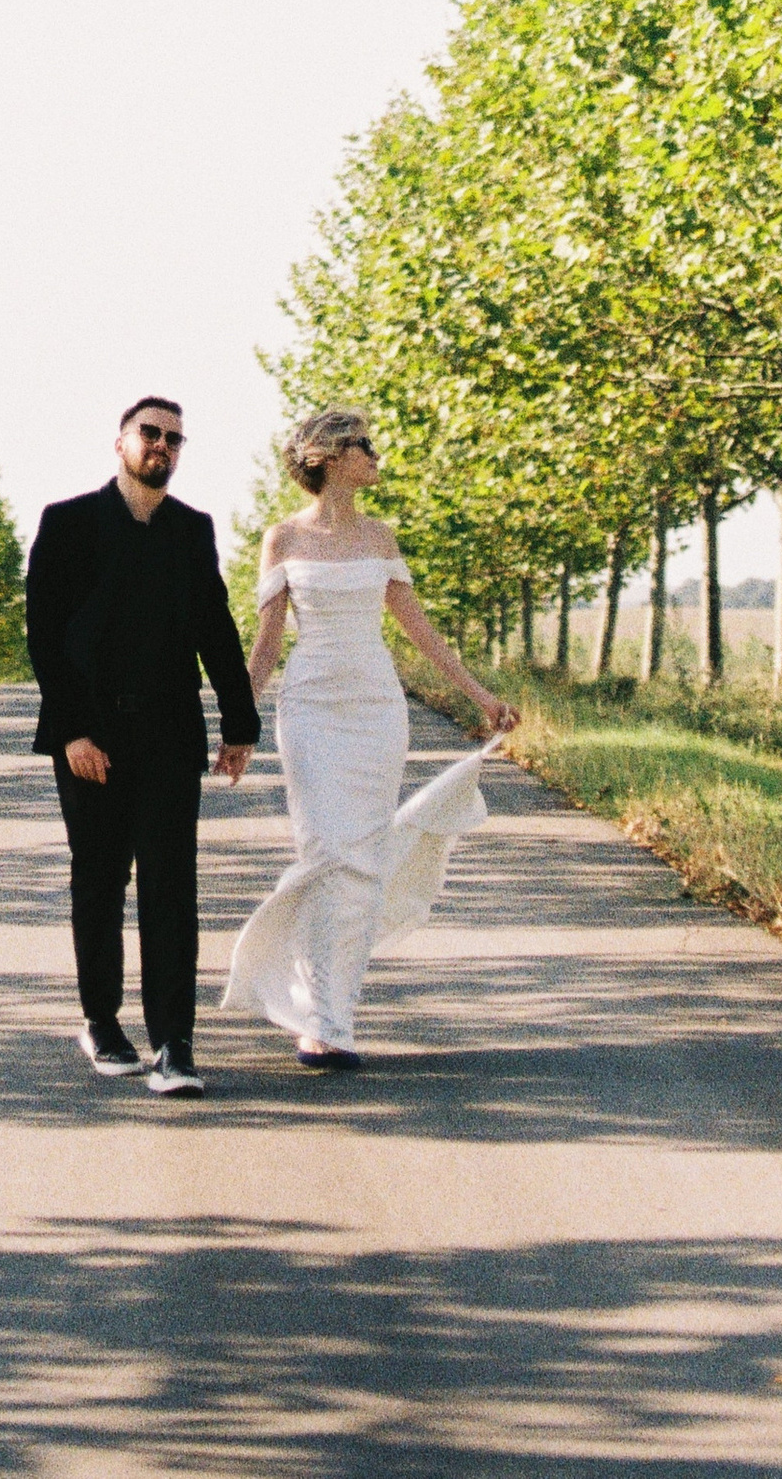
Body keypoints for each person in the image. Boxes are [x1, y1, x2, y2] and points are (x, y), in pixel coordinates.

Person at [222, 406, 517, 1069]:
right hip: (312, 709)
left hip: (377, 711)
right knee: (328, 851)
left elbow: (418, 628)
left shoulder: (381, 537)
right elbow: (267, 641)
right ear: (329, 455)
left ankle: (331, 1021)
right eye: (365, 445)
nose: (377, 455)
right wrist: (240, 720)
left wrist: (482, 696)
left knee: (364, 864)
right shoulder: (284, 540)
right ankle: (304, 1000)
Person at [24, 393, 260, 1097]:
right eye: (150, 433)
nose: (162, 445)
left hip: (167, 733)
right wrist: (71, 729)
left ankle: (175, 1043)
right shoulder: (66, 524)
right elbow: (44, 634)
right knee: (98, 880)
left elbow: (215, 629)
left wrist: (239, 721)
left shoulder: (192, 529)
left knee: (170, 886)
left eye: (174, 439)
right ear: (121, 441)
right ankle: (101, 1020)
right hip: (90, 737)